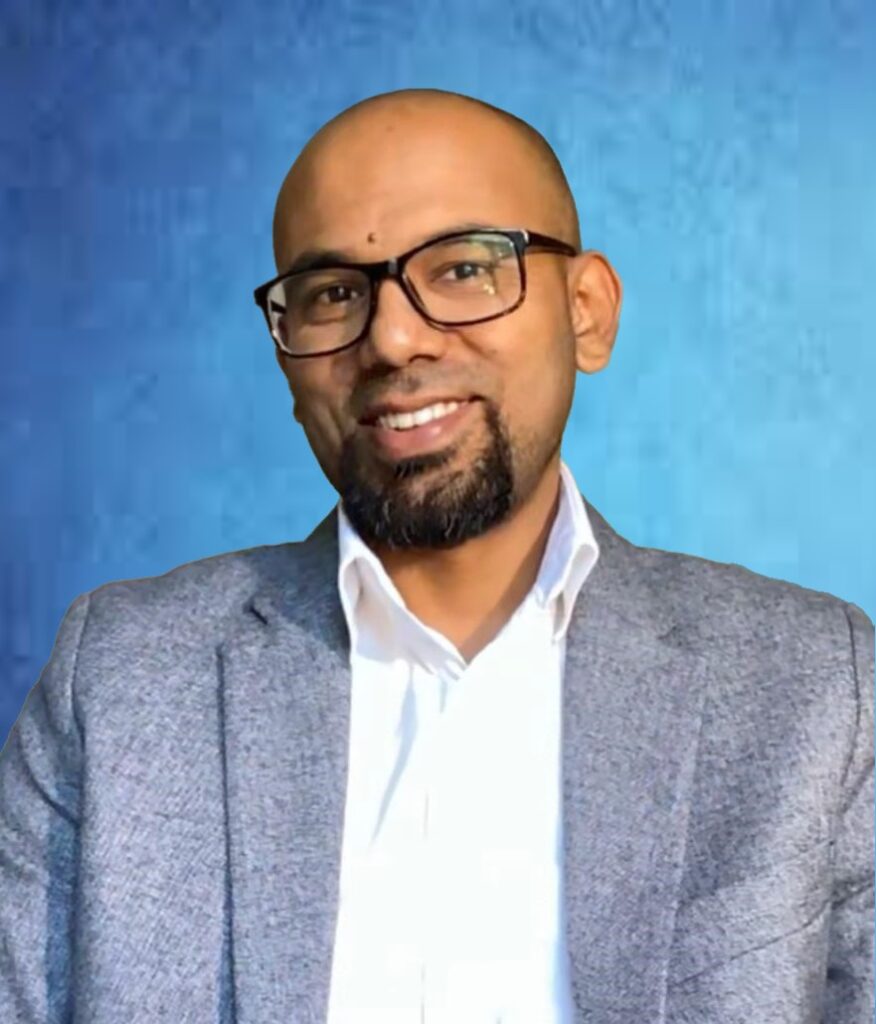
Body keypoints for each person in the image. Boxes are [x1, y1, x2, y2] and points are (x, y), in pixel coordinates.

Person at [0, 88, 872, 1024]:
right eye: (333, 293)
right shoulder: (123, 680)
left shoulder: (817, 687)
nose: (393, 338)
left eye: (463, 268)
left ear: (588, 313)